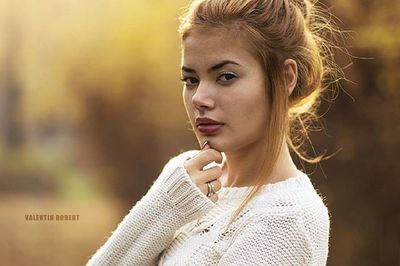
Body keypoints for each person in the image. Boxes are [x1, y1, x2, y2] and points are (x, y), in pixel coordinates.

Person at [86, 0, 344, 265]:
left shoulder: (288, 219)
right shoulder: (186, 182)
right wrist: (163, 206)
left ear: (285, 78)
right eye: (191, 80)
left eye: (226, 77)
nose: (199, 98)